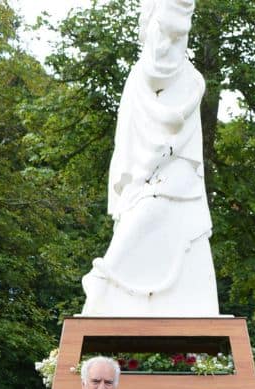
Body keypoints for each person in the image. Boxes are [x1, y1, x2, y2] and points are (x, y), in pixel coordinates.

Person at [80, 0, 219, 316]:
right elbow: (135, 134)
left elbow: (180, 130)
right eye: (163, 32)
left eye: (176, 35)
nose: (168, 43)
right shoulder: (140, 77)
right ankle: (104, 278)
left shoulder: (192, 79)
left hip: (179, 166)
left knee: (163, 209)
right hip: (145, 167)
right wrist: (144, 169)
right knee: (146, 207)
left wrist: (164, 154)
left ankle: (104, 277)